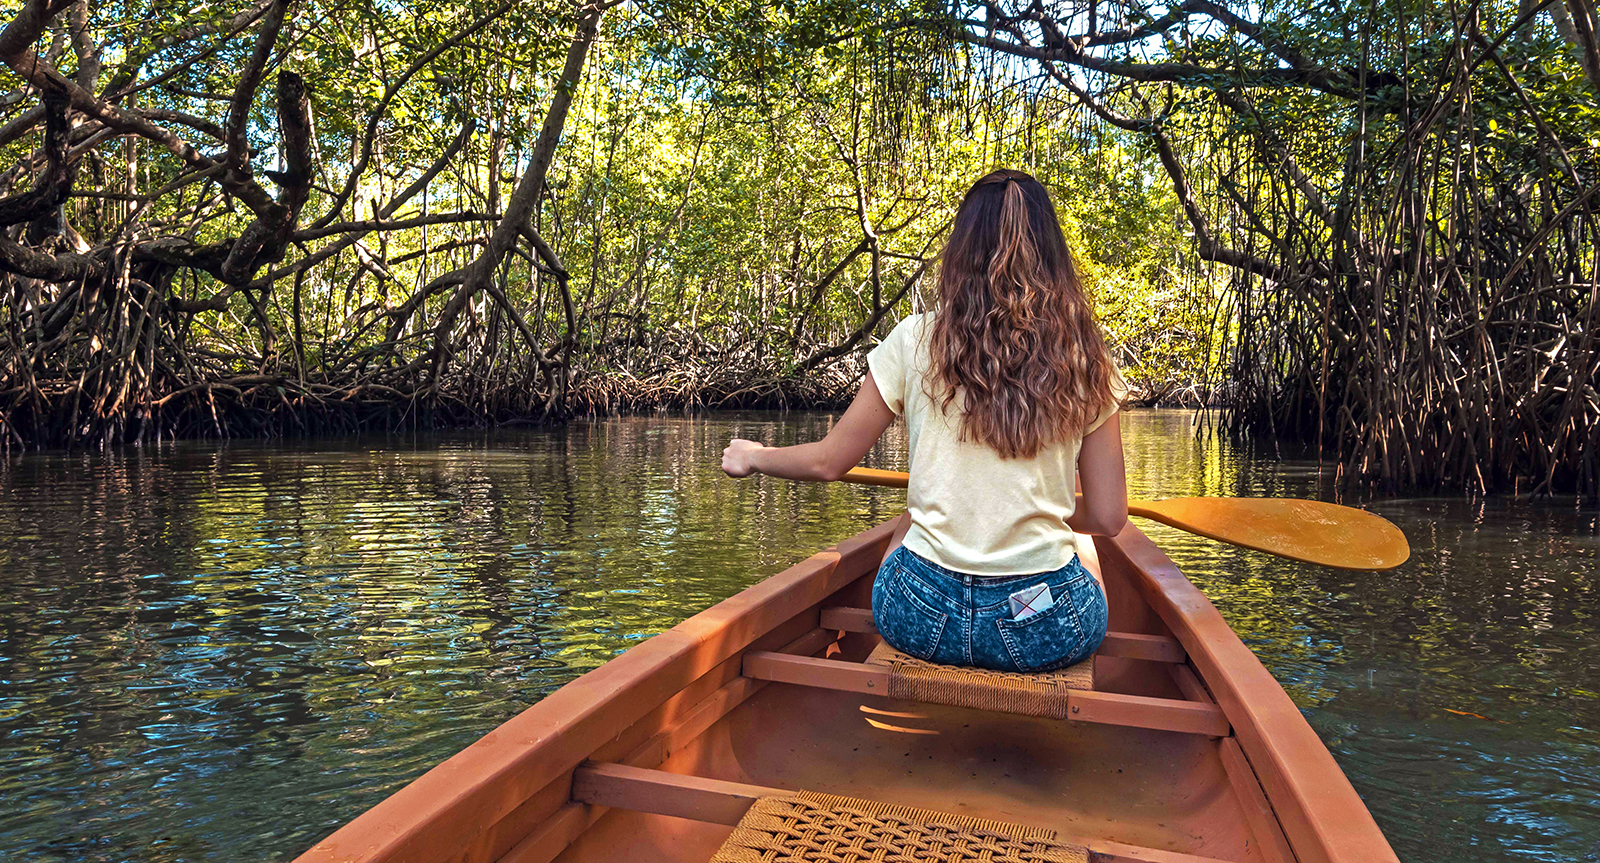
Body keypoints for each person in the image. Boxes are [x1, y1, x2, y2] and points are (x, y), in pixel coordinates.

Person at [720, 168, 1128, 673]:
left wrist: (755, 457)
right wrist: (1052, 520)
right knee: (1083, 541)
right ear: (1052, 254)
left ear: (960, 252)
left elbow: (829, 462)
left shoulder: (914, 339)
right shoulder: (1084, 354)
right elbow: (1110, 518)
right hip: (1040, 623)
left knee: (910, 520)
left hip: (921, 612)